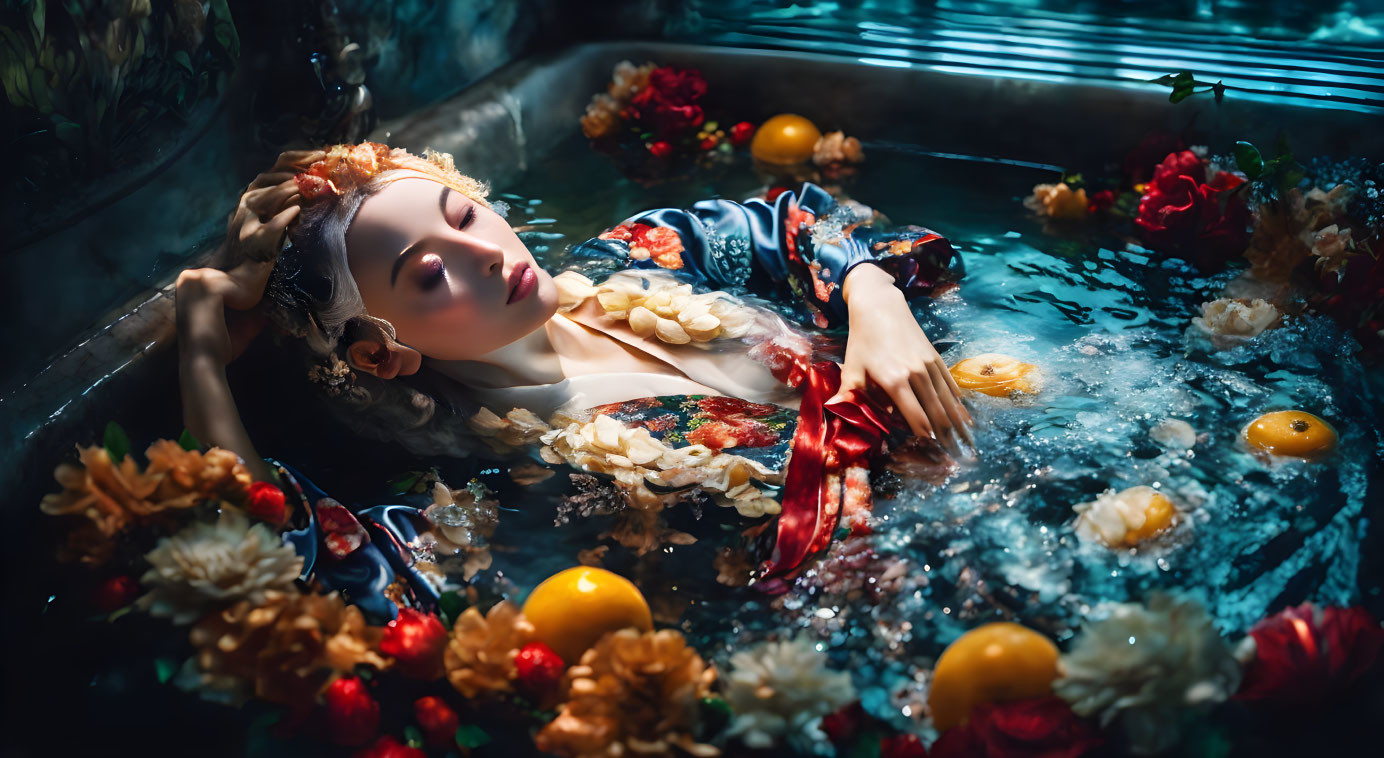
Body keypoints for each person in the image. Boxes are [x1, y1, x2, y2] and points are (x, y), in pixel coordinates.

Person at [175, 142, 972, 613]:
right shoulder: (494, 486)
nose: (484, 252)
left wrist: (875, 301)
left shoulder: (634, 253)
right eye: (429, 275)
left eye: (463, 217)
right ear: (381, 354)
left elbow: (799, 220)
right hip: (916, 577)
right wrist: (202, 358)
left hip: (999, 423)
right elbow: (298, 564)